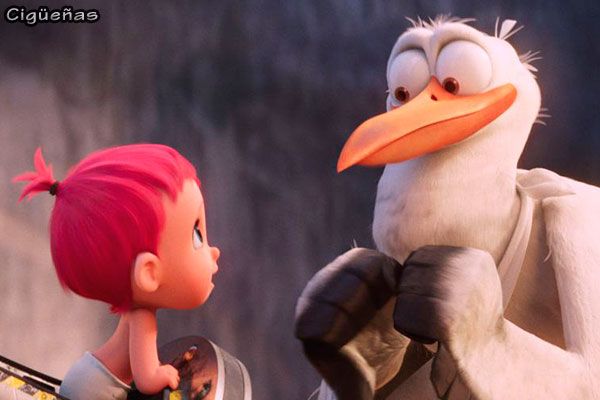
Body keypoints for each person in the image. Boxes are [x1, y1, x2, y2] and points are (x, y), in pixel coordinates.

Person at [13, 144, 221, 400]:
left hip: (88, 377)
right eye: (197, 235)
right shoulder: (143, 316)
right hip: (95, 389)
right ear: (149, 272)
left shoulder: (136, 312)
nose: (214, 251)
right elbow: (147, 380)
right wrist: (164, 374)